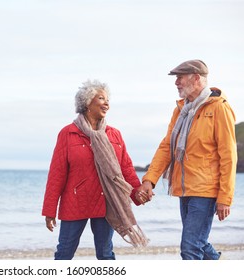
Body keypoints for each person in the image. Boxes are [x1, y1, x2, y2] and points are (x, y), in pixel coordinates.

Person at [138, 59, 237, 260]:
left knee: (190, 247)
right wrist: (150, 179)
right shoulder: (181, 110)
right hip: (185, 189)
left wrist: (224, 198)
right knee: (199, 243)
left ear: (196, 78)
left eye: (180, 78)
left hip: (206, 190)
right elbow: (167, 147)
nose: (176, 83)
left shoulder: (219, 108)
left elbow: (228, 156)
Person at [42, 79, 148, 260]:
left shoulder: (114, 134)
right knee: (64, 252)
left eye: (108, 100)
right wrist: (50, 210)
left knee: (105, 253)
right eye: (101, 98)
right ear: (87, 102)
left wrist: (137, 192)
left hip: (106, 201)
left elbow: (125, 168)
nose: (107, 103)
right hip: (76, 202)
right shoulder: (68, 133)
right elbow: (57, 174)